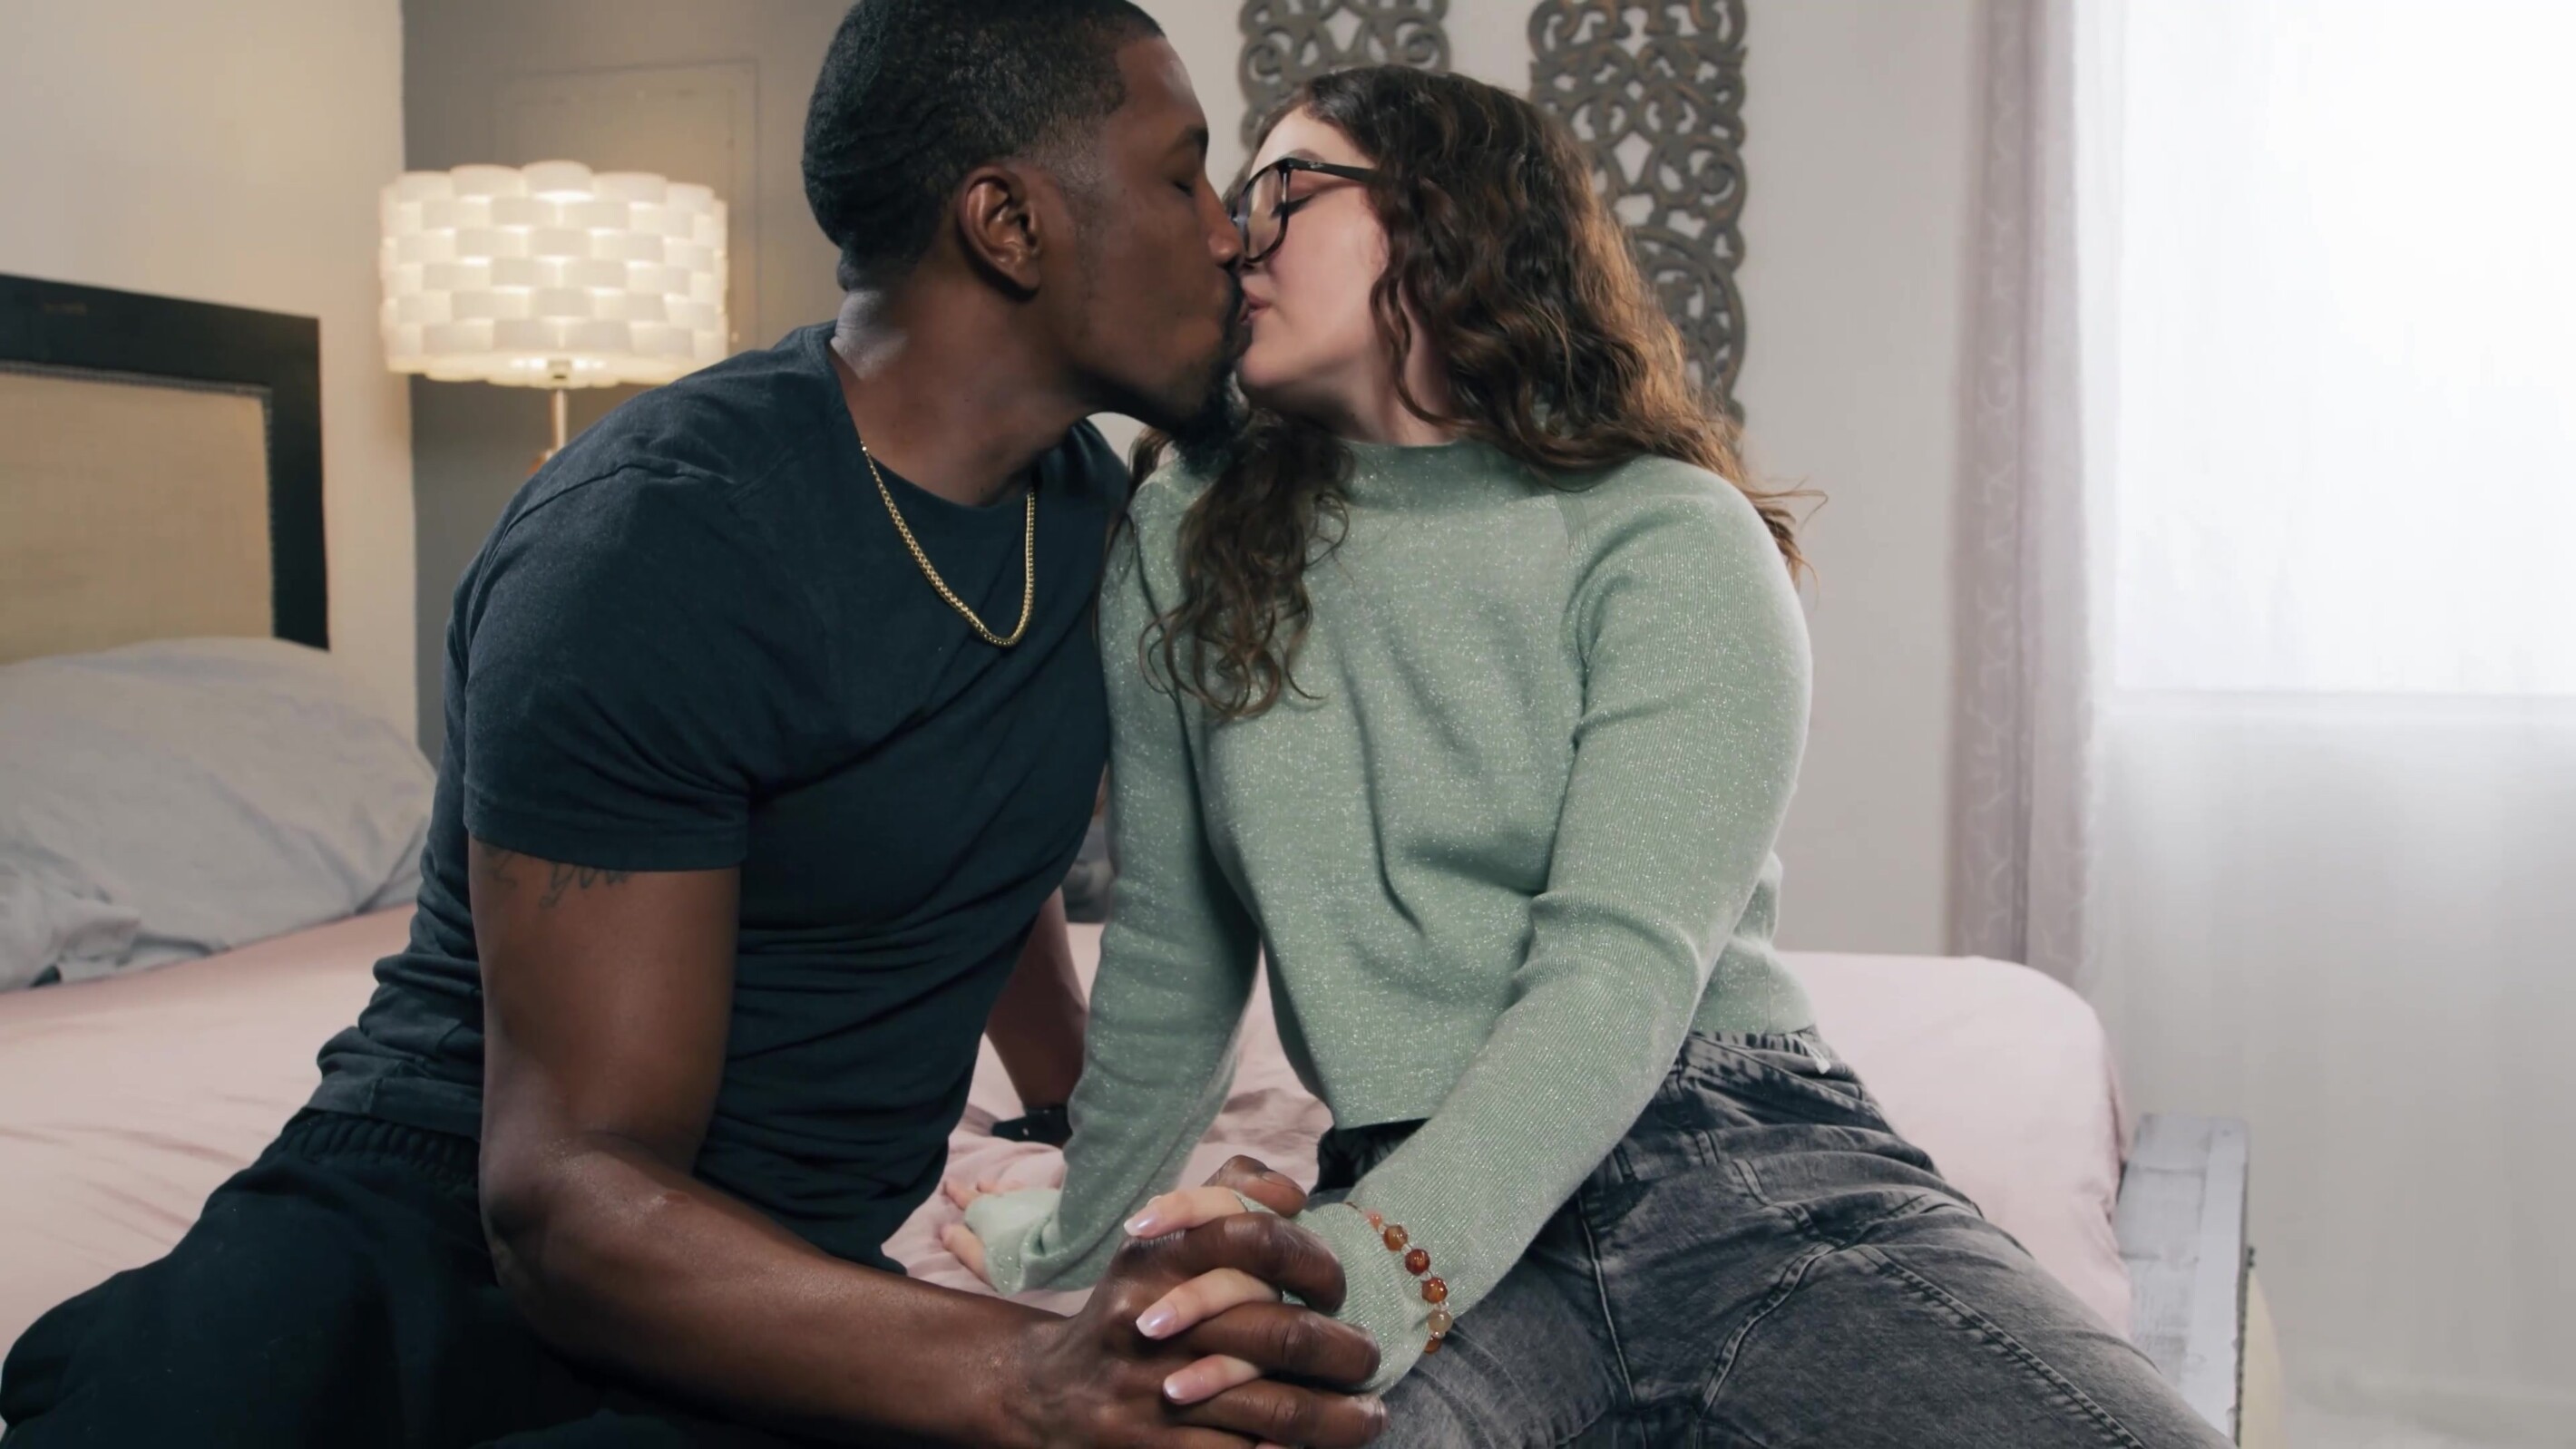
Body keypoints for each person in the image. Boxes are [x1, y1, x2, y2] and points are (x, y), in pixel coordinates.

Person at [0, 5, 1387, 1446]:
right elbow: (566, 1195)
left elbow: (965, 824)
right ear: (1009, 225)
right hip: (450, 1241)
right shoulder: (655, 549)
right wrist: (1030, 1380)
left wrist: (1086, 1126)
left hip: (768, 1262)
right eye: (1180, 174)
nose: (1226, 234)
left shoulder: (1081, 508)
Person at [948, 65, 2235, 1448]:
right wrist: (1074, 1240)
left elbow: (1618, 975)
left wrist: (1381, 1269)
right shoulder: (1183, 530)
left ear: (1440, 214)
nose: (1235, 240)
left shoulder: (1671, 534)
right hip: (1409, 1185)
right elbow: (1170, 952)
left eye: (1283, 191)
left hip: (1727, 1159)